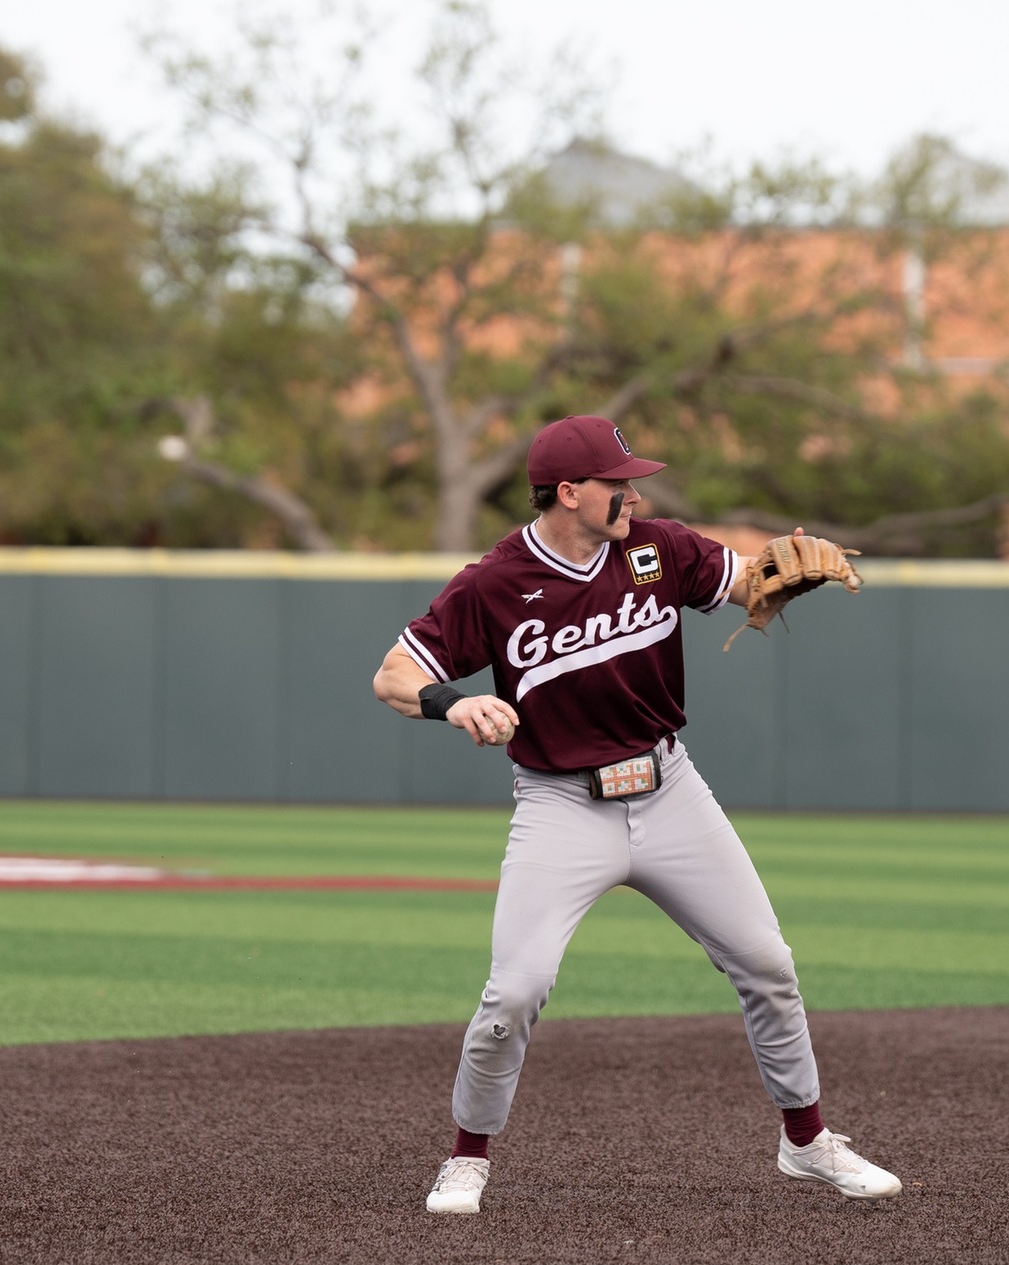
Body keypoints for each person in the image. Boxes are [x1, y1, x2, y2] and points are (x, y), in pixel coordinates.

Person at [372, 414, 899, 1215]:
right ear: (569, 492)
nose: (635, 493)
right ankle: (467, 1158)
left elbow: (744, 579)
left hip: (670, 788)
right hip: (560, 804)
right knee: (513, 993)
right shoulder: (495, 582)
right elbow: (394, 674)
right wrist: (455, 702)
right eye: (619, 483)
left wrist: (782, 572)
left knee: (767, 963)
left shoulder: (658, 548)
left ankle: (809, 1142)